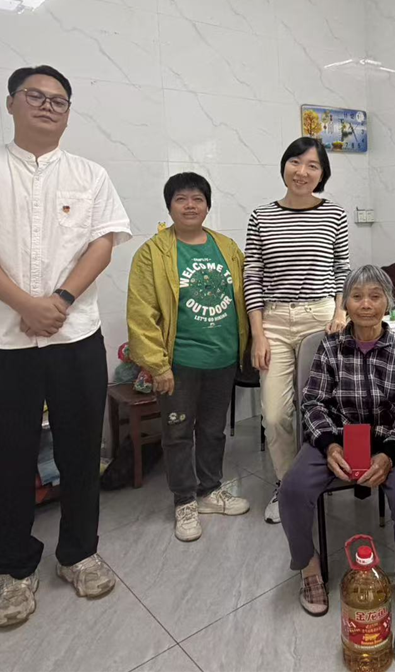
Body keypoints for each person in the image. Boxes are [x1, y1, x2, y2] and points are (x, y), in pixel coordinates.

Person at [0, 65, 132, 628]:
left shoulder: (90, 174)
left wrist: (59, 300)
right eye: (34, 96)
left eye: (58, 100)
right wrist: (25, 303)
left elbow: (103, 244)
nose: (46, 106)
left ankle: (79, 555)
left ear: (68, 113)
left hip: (75, 333)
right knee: (4, 457)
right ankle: (15, 571)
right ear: (11, 103)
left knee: (81, 452)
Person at [279, 265, 395, 616]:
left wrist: (389, 454)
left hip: (390, 442)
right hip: (338, 438)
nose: (366, 304)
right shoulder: (330, 347)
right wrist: (329, 444)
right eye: (357, 296)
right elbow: (313, 402)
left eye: (375, 296)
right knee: (292, 490)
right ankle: (309, 567)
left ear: (388, 302)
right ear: (345, 303)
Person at [127, 172, 251, 542]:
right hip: (178, 364)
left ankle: (210, 490)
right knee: (178, 433)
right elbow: (141, 313)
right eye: (181, 199)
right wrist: (157, 365)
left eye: (197, 198)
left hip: (222, 359)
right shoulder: (152, 253)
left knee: (212, 430)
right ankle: (184, 500)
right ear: (170, 206)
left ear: (208, 205)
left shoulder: (227, 247)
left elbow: (249, 292)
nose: (190, 205)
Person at [243, 137, 351, 524]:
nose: (302, 172)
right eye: (295, 162)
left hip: (320, 318)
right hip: (273, 320)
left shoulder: (334, 215)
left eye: (312, 166)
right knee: (275, 414)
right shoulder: (261, 216)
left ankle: (324, 474)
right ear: (284, 166)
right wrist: (258, 334)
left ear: (322, 174)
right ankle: (288, 487)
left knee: (324, 406)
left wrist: (340, 312)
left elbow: (342, 270)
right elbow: (253, 276)